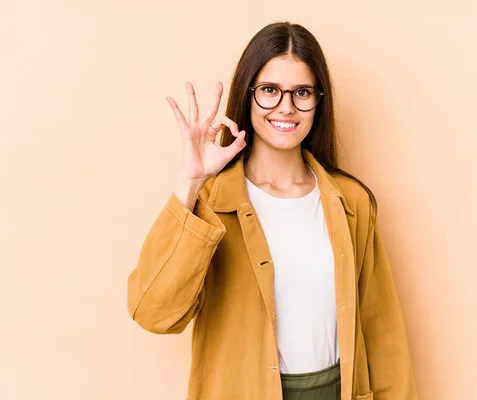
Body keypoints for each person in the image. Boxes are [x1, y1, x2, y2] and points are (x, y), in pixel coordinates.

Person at [127, 21, 418, 400]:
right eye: (269, 90)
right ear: (247, 95)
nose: (286, 107)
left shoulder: (351, 203)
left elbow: (384, 336)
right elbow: (153, 312)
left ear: (318, 101)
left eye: (302, 92)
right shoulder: (211, 202)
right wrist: (191, 180)